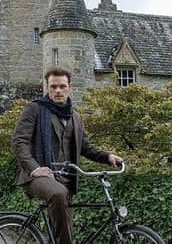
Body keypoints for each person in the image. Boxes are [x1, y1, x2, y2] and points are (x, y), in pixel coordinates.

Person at [12, 66, 122, 244]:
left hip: (66, 179)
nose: (57, 90)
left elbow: (85, 147)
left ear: (69, 87)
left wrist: (107, 157)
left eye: (62, 86)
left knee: (65, 231)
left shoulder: (75, 117)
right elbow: (19, 142)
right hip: (37, 176)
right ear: (47, 88)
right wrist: (35, 168)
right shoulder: (35, 109)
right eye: (53, 86)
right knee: (58, 195)